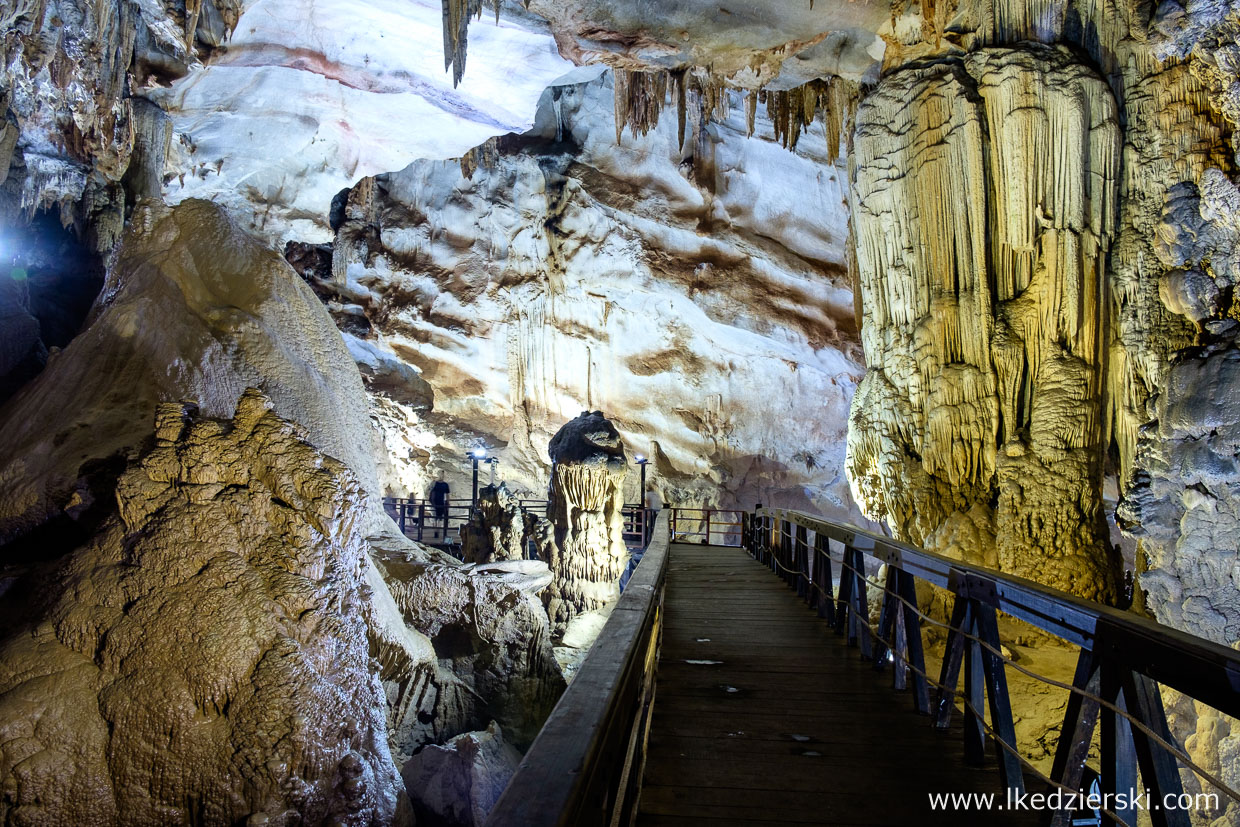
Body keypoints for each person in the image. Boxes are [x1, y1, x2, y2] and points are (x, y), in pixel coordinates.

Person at [430, 471, 450, 536]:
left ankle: (437, 531)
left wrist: (447, 502)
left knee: (439, 517)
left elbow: (447, 494)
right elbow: (432, 493)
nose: (442, 476)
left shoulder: (445, 485)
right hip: (436, 502)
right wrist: (432, 502)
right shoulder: (435, 483)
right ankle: (436, 531)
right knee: (435, 517)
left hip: (441, 502)